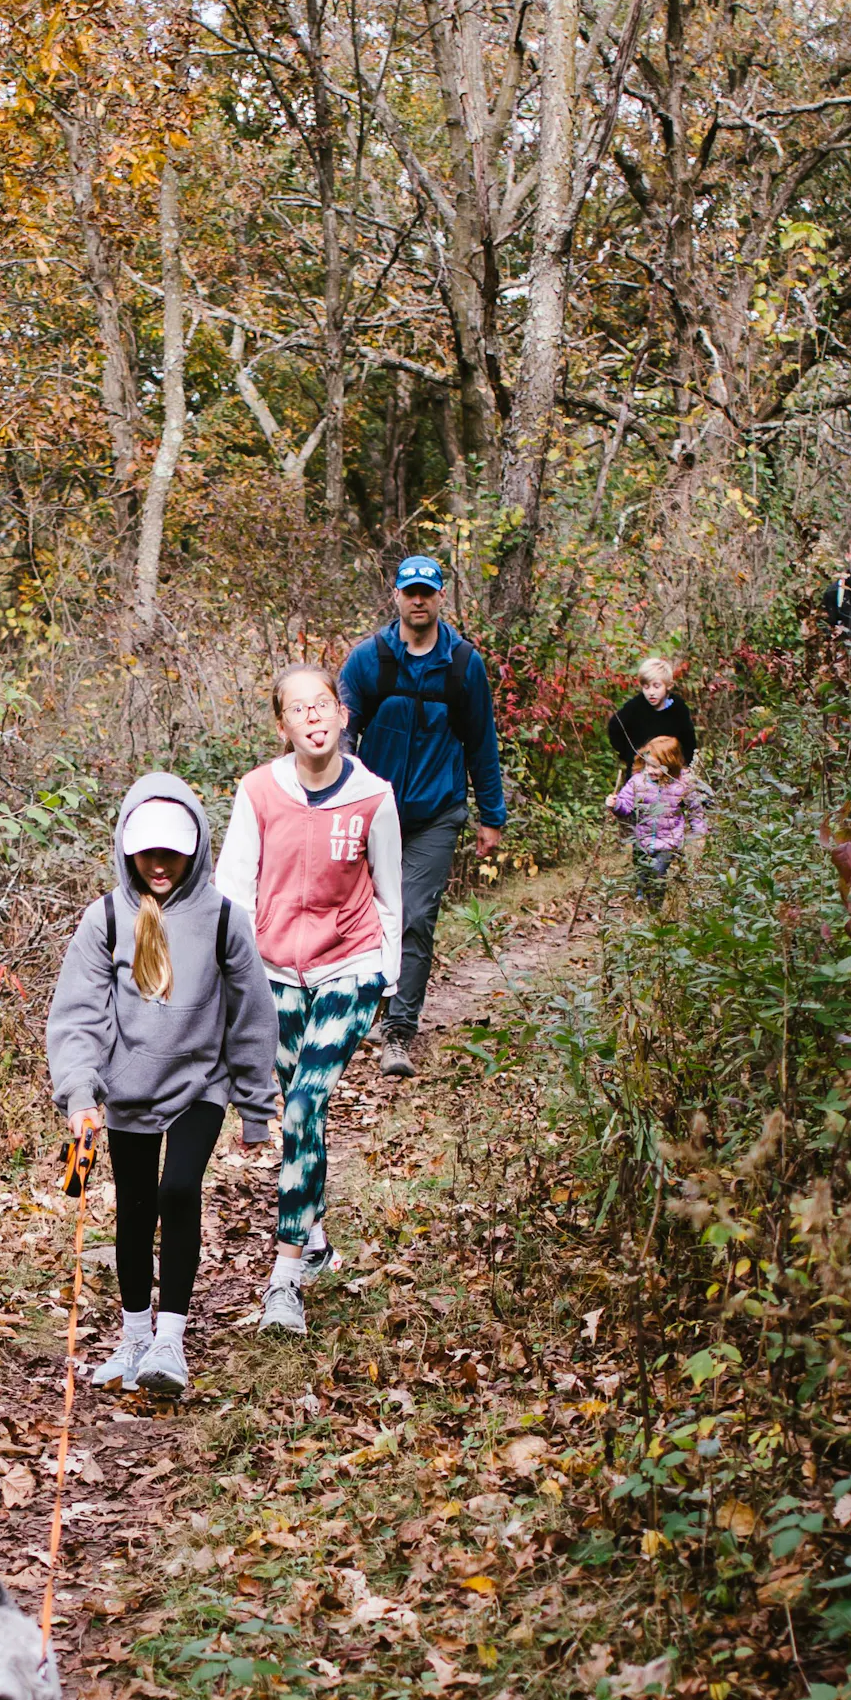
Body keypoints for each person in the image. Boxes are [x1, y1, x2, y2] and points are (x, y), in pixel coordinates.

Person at [46, 773, 279, 1401]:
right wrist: (80, 1092)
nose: (158, 863)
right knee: (134, 1208)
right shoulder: (105, 919)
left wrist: (257, 1105)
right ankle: (133, 1335)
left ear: (196, 847)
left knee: (179, 1191)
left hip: (201, 1082)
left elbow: (252, 1013)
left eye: (172, 851)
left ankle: (170, 1339)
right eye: (146, 851)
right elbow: (80, 1015)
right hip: (128, 1090)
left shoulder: (223, 917)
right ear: (126, 848)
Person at [215, 663, 402, 1339]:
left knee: (302, 1104)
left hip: (350, 966)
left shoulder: (374, 796)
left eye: (323, 704)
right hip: (274, 972)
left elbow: (389, 891)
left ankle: (284, 1281)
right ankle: (316, 1238)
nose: (314, 716)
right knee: (302, 1114)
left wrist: (388, 976)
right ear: (282, 725)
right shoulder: (259, 791)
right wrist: (232, 977)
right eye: (299, 708)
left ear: (342, 715)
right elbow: (233, 886)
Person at [338, 554, 504, 1079]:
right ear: (396, 596)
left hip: (438, 812)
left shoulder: (462, 664)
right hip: (373, 812)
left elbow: (482, 741)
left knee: (413, 917)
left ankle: (398, 1032)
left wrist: (490, 815)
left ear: (440, 597)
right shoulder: (368, 660)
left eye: (426, 592)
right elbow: (341, 733)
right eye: (409, 591)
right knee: (362, 915)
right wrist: (331, 797)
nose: (417, 600)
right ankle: (363, 1008)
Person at [605, 733, 707, 907]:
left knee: (658, 874)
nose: (651, 770)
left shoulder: (682, 784)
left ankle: (655, 908)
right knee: (642, 872)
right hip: (642, 839)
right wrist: (615, 805)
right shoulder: (638, 782)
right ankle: (640, 898)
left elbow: (696, 808)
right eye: (648, 765)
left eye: (657, 766)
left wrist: (699, 832)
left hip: (669, 841)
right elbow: (626, 806)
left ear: (670, 764)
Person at [608, 656, 697, 783]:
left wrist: (687, 764)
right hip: (641, 771)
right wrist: (629, 755)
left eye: (656, 686)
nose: (651, 692)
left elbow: (688, 739)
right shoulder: (634, 707)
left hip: (671, 771)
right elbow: (615, 728)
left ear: (668, 686)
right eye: (646, 687)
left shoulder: (678, 708)